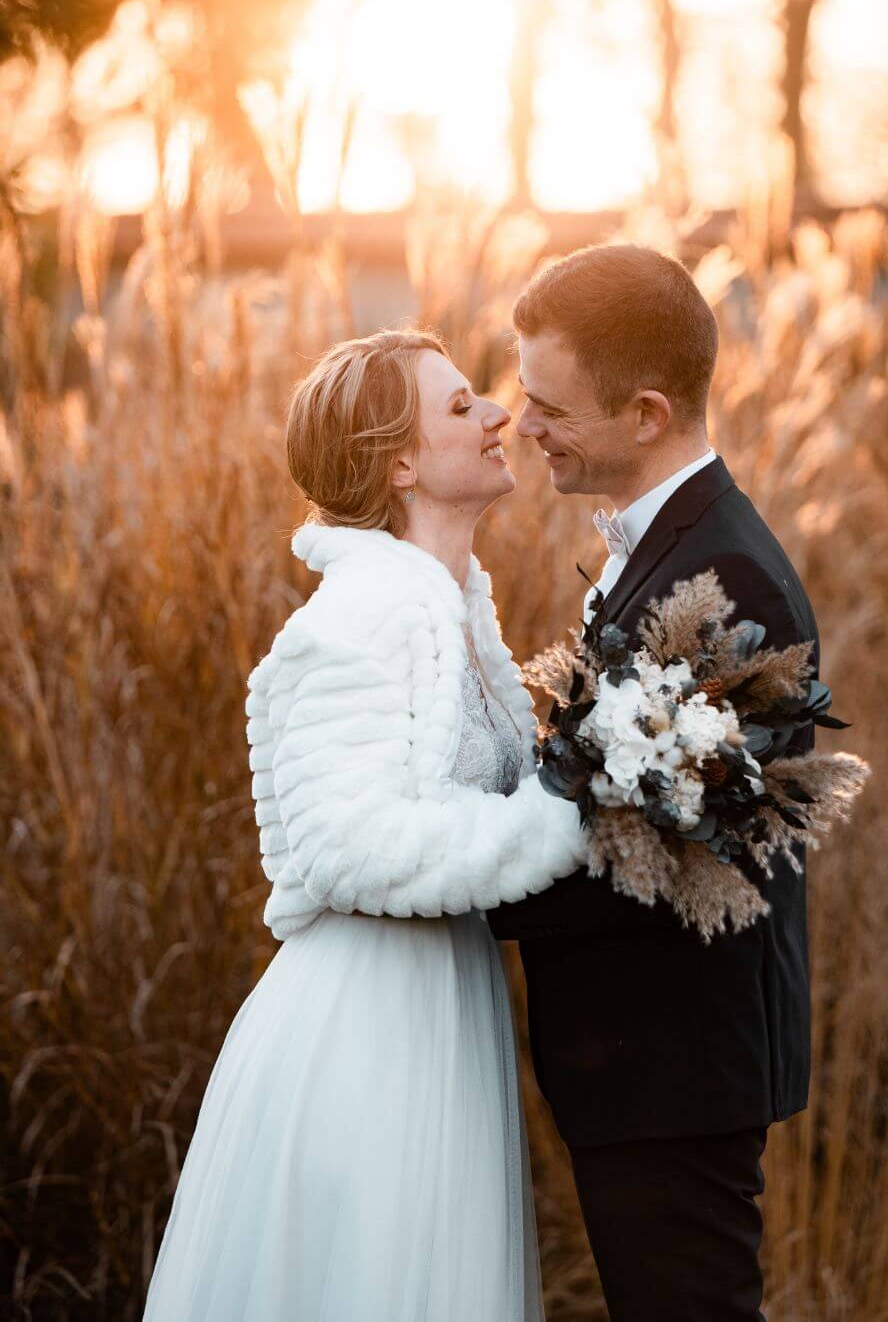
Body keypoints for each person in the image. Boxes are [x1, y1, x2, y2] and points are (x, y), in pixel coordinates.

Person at [141, 330, 588, 1322]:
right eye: (463, 406)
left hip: (445, 1001)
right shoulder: (360, 614)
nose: (498, 416)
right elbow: (349, 842)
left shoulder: (449, 608)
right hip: (368, 1028)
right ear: (399, 461)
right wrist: (564, 825)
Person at [486, 243, 822, 1322]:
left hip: (676, 1068)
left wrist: (452, 880)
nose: (521, 424)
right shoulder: (667, 550)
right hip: (644, 1064)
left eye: (548, 405)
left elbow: (650, 857)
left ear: (644, 413)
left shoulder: (727, 583)